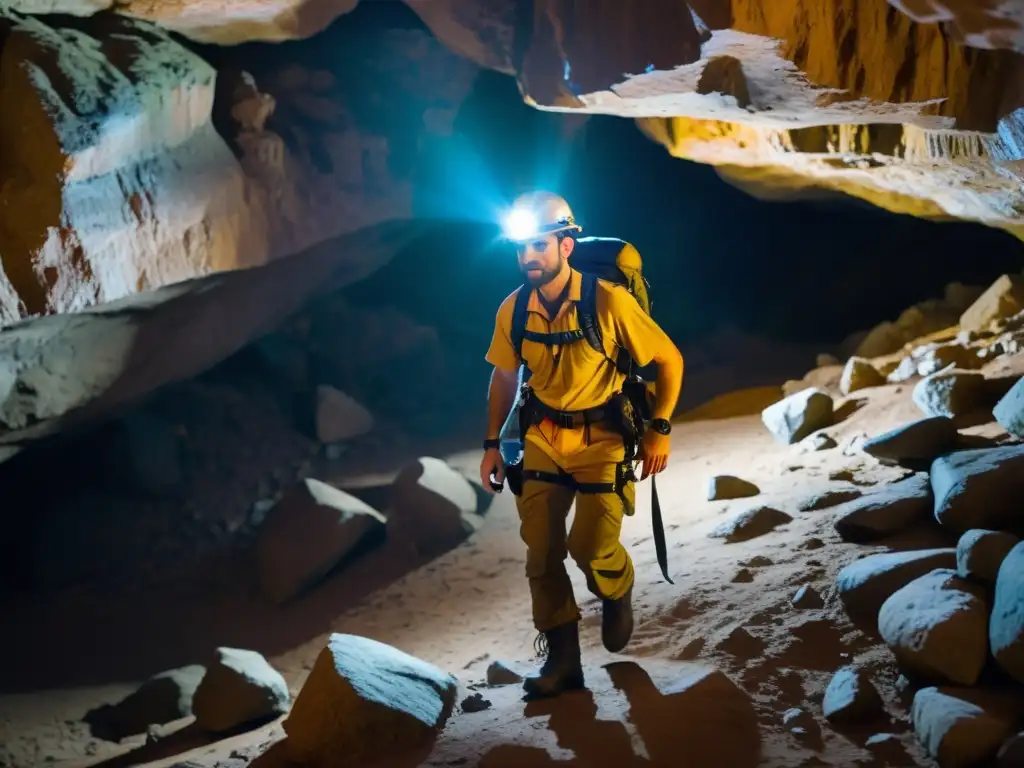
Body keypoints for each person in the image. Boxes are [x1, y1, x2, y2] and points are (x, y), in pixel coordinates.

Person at [479, 191, 684, 700]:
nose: (528, 256)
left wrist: (660, 426)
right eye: (521, 247)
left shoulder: (608, 301)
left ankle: (617, 586)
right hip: (544, 438)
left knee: (589, 547)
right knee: (542, 554)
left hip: (604, 438)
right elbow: (505, 376)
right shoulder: (515, 308)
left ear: (566, 245)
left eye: (539, 245)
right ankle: (564, 663)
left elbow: (669, 359)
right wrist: (491, 443)